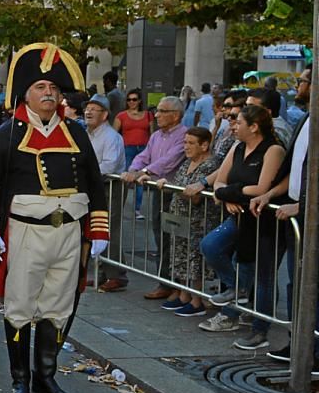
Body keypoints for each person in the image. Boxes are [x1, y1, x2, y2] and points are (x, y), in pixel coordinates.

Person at [0, 43, 108, 393]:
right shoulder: (9, 133)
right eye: (40, 88)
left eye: (53, 88)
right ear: (26, 93)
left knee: (58, 305)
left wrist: (98, 230)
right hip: (25, 231)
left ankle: (45, 376)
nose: (49, 93)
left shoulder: (76, 133)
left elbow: (94, 183)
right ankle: (20, 377)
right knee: (20, 306)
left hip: (69, 232)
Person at [193, 105, 286, 346]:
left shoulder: (273, 150)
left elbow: (261, 188)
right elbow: (219, 181)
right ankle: (236, 288)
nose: (232, 126)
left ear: (254, 127)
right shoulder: (237, 147)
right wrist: (227, 195)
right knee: (210, 245)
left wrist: (229, 194)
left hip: (265, 220)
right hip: (240, 217)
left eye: (238, 122)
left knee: (263, 275)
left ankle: (259, 330)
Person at [249, 103, 314, 364]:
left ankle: (313, 350)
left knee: (311, 285)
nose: (300, 85)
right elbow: (296, 169)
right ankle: (297, 342)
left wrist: (302, 205)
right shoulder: (307, 118)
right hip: (295, 214)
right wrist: (271, 193)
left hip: (306, 214)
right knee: (295, 283)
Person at [121, 96, 187, 300]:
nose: (156, 115)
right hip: (160, 192)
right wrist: (133, 169)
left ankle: (177, 284)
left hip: (175, 194)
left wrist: (145, 172)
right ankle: (165, 282)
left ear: (175, 115)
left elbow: (170, 161)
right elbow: (145, 155)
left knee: (175, 240)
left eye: (162, 111)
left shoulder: (183, 135)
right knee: (160, 237)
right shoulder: (157, 135)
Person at [155, 127, 220, 317]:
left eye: (191, 143)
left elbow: (197, 196)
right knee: (180, 254)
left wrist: (177, 188)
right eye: (185, 142)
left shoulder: (211, 165)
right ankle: (183, 294)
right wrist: (166, 184)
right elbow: (179, 182)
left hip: (199, 219)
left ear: (204, 145)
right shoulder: (187, 162)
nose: (186, 147)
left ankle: (197, 299)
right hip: (180, 217)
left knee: (195, 258)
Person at [85, 98, 128, 291]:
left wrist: (87, 173)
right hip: (95, 185)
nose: (89, 112)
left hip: (111, 186)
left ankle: (117, 275)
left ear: (105, 115)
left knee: (109, 228)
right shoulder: (88, 134)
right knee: (97, 228)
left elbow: (109, 165)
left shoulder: (111, 136)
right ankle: (101, 273)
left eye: (94, 109)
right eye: (87, 109)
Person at [114, 89, 153, 218]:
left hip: (143, 149)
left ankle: (137, 209)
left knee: (140, 179)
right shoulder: (121, 116)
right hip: (127, 149)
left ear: (140, 101)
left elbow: (153, 135)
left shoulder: (148, 115)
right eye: (129, 100)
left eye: (134, 99)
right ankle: (120, 206)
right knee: (126, 178)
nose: (131, 102)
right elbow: (114, 135)